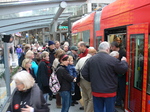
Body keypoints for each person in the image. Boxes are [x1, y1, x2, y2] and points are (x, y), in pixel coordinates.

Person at [81, 41, 128, 112]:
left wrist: (92, 80)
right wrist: (124, 61)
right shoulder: (112, 60)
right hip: (110, 91)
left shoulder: (91, 59)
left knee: (98, 109)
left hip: (96, 90)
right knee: (109, 109)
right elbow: (123, 69)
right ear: (108, 49)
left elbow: (83, 73)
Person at [76, 48, 97, 112]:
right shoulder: (92, 60)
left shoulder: (81, 59)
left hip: (81, 80)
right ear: (93, 53)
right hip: (88, 81)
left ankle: (86, 110)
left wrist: (78, 80)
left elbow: (76, 69)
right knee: (91, 98)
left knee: (85, 98)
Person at [110, 41, 126, 108]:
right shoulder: (119, 52)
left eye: (111, 47)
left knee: (121, 88)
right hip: (118, 74)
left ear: (114, 47)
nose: (110, 48)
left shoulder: (123, 53)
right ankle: (118, 102)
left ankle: (121, 101)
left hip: (121, 74)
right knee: (118, 88)